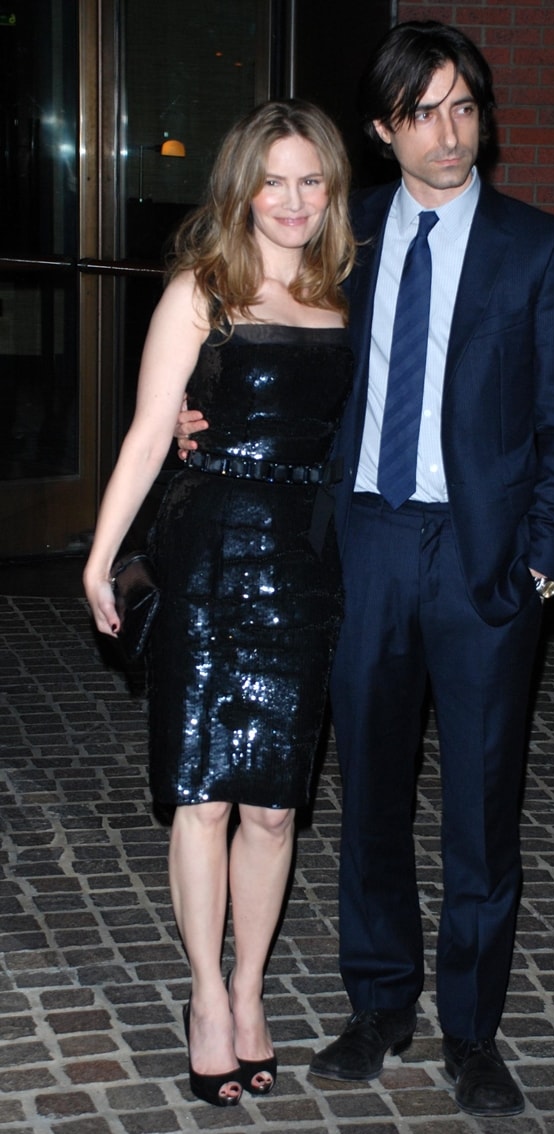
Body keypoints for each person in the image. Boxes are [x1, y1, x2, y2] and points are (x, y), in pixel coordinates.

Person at [175, 21, 554, 1117]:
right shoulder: (343, 234)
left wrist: (541, 565)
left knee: (481, 806)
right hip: (360, 544)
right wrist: (199, 414)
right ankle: (377, 1006)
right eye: (422, 113)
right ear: (382, 128)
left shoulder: (536, 246)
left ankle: (471, 1031)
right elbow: (258, 334)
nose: (448, 133)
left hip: (482, 559)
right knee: (366, 793)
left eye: (464, 108)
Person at [83, 99, 355, 1108]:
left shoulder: (348, 298)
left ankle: (250, 992)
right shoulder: (202, 288)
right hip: (206, 554)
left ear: (331, 189)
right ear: (241, 189)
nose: (291, 200)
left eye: (310, 180)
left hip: (304, 562)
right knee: (201, 795)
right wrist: (100, 559)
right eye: (272, 181)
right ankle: (205, 996)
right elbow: (150, 431)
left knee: (274, 807)